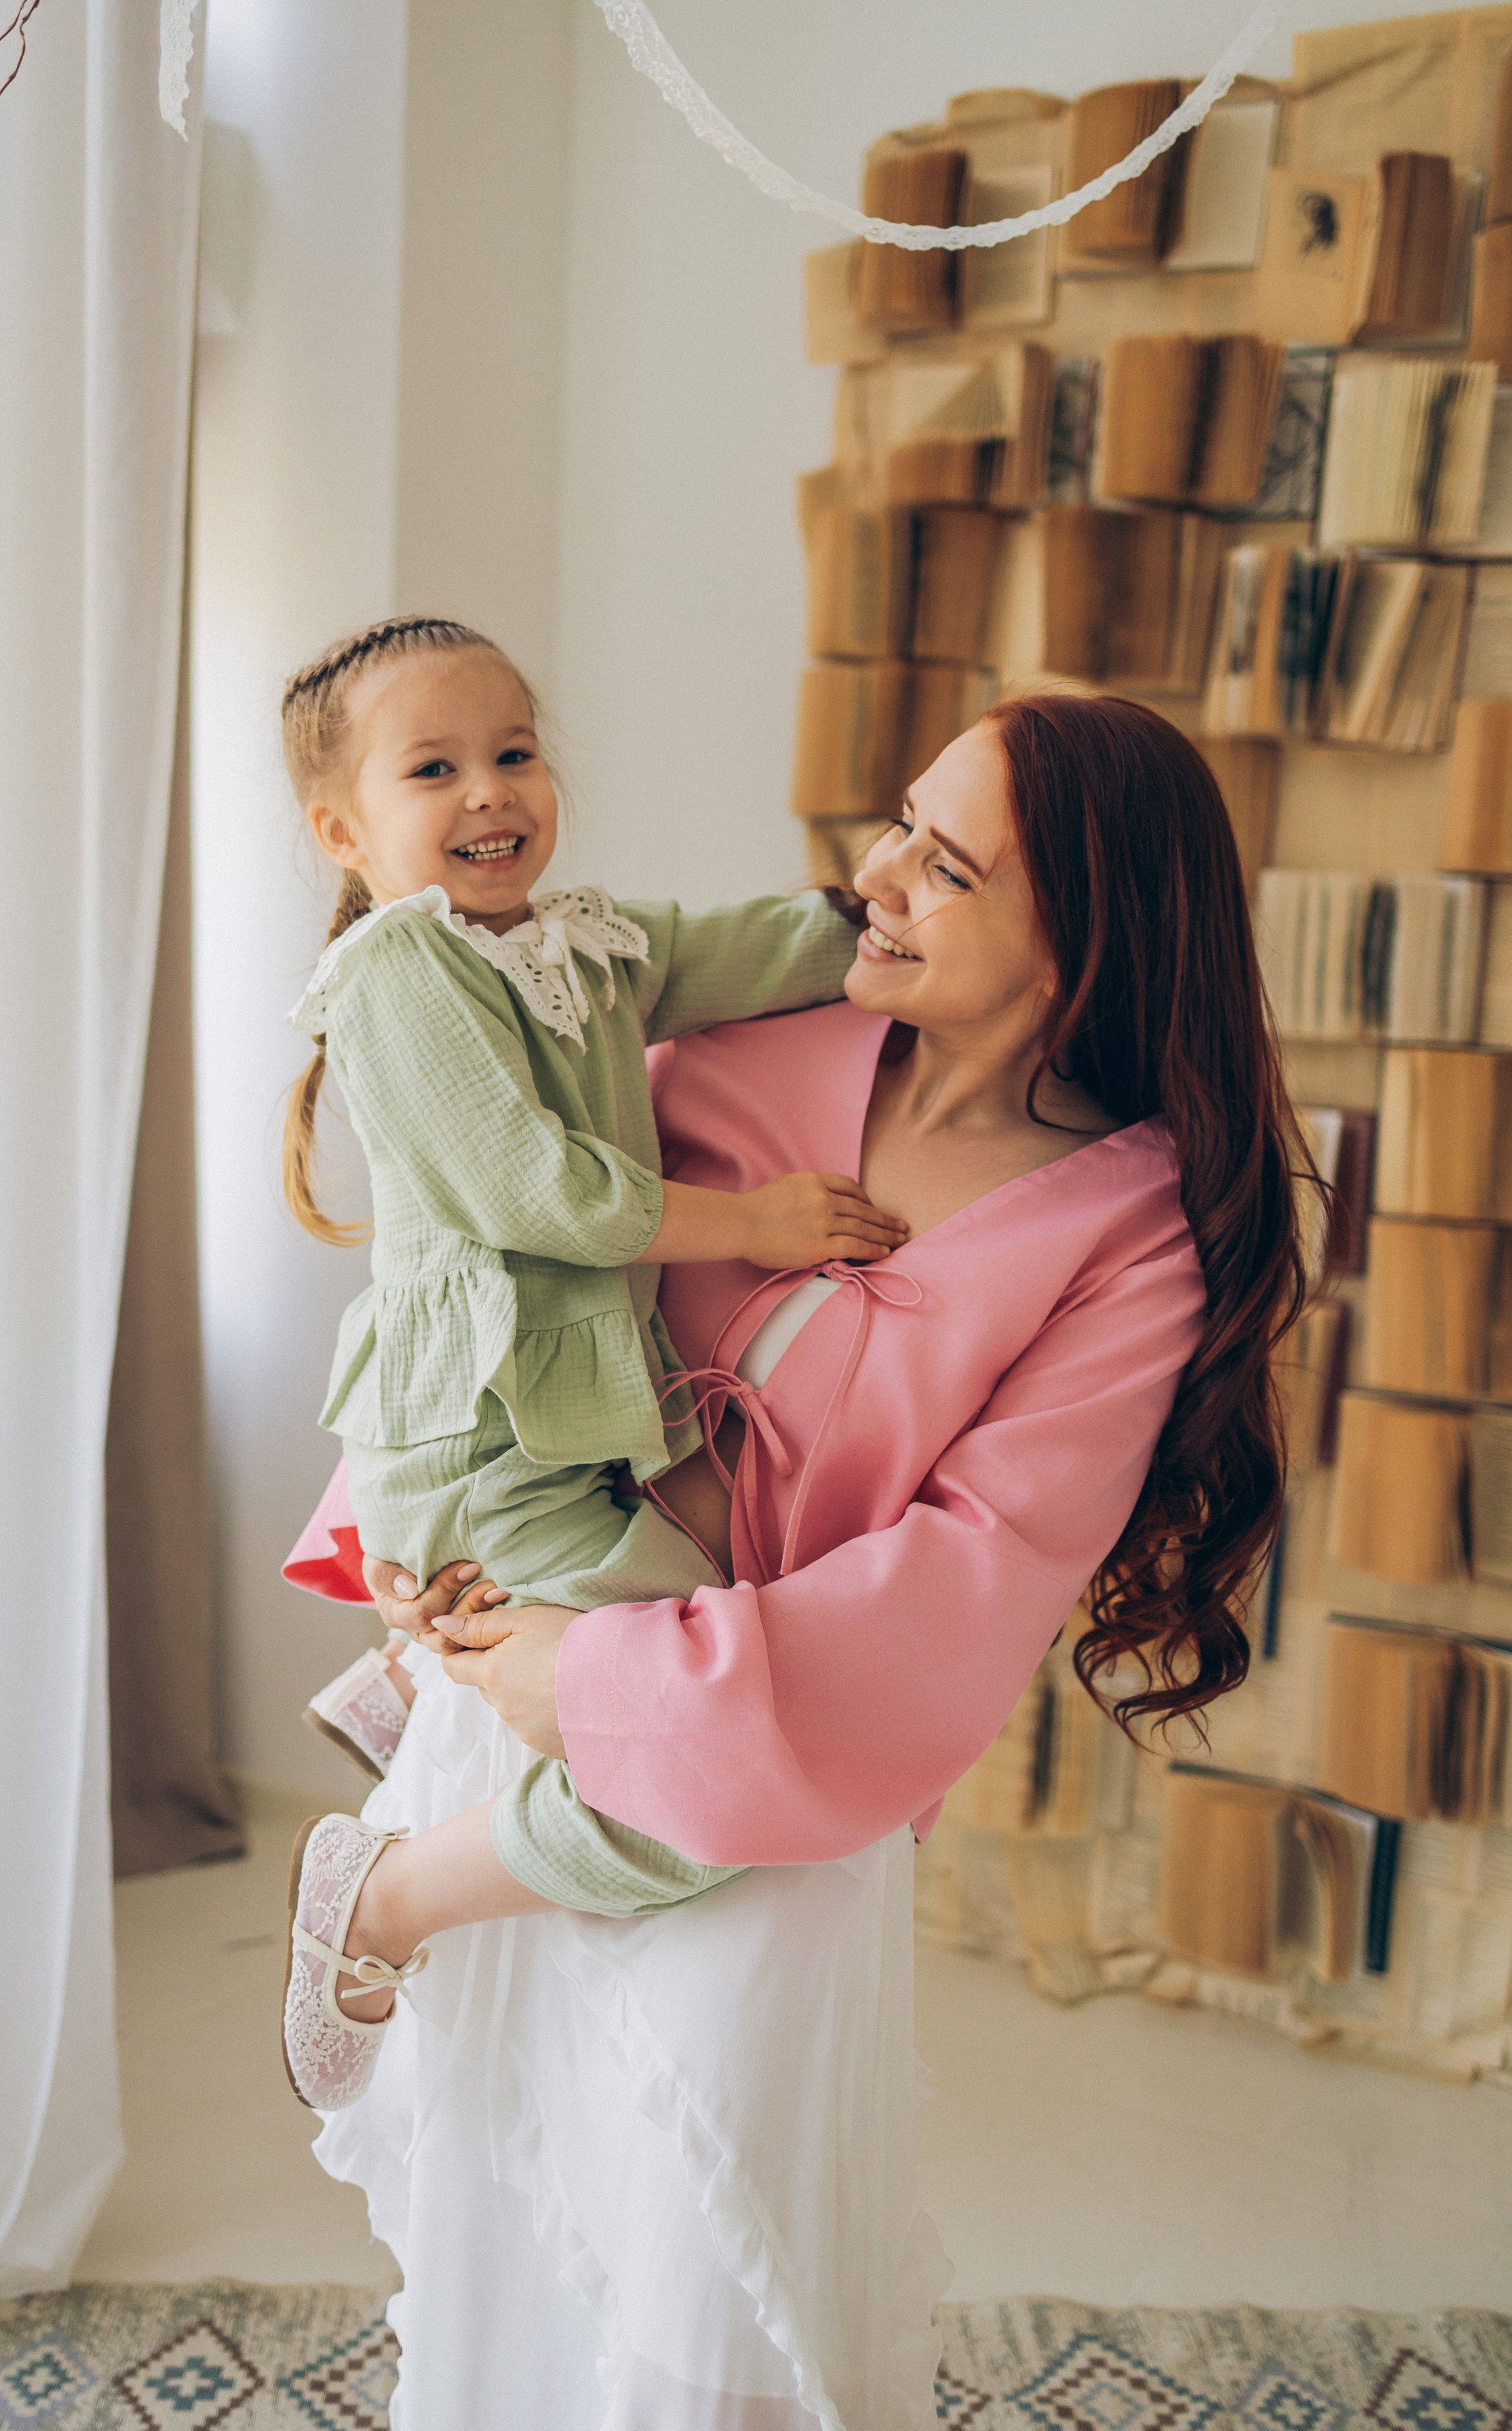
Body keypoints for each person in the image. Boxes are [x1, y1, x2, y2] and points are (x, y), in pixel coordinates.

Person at [296, 691, 1309, 2430]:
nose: (874, 874)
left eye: (946, 865)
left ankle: (376, 1896)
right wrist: (398, 1543)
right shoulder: (741, 1047)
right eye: (900, 821)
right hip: (512, 1656)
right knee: (513, 2230)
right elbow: (492, 1268)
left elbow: (970, 1577)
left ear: (1082, 937)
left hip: (774, 1760)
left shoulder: (1130, 1239)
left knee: (705, 2268)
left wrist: (607, 1675)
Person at [273, 613, 906, 2109]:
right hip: (486, 1439)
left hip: (573, 1430)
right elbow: (536, 1194)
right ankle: (379, 1897)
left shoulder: (582, 946)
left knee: (721, 1666)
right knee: (719, 1759)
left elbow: (754, 948)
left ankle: (418, 1667)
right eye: (435, 768)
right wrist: (755, 1221)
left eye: (515, 751)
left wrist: (898, 900)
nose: (491, 790)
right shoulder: (394, 971)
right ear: (344, 831)